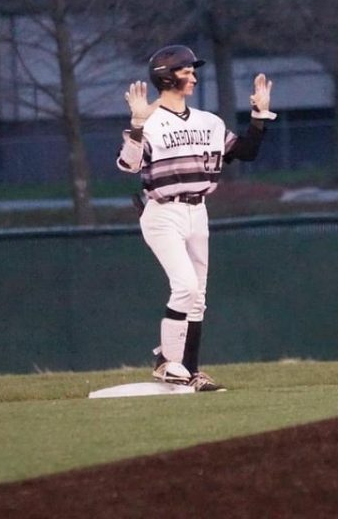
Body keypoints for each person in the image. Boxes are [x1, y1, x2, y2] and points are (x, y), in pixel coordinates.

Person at [116, 44, 276, 392]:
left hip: (197, 211)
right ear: (166, 76)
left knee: (198, 297)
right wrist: (138, 126)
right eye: (186, 70)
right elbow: (128, 165)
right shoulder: (150, 122)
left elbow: (245, 152)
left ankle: (189, 371)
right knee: (185, 287)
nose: (193, 76)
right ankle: (166, 363)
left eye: (192, 70)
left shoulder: (209, 121)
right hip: (163, 212)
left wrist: (260, 117)